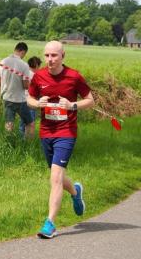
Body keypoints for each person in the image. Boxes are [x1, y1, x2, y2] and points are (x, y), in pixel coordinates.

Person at [27, 40, 94, 239]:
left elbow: (91, 100)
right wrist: (37, 103)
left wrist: (72, 105)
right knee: (56, 175)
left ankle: (50, 223)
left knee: (54, 178)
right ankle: (75, 192)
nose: (50, 59)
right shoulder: (39, 77)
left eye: (54, 55)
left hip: (66, 133)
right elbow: (29, 99)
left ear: (63, 55)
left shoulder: (74, 77)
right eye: (47, 55)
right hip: (46, 132)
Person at [0, 42, 34, 137]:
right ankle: (28, 145)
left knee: (9, 124)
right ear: (22, 51)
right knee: (30, 123)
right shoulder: (24, 65)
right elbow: (25, 85)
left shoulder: (2, 62)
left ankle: (8, 144)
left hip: (7, 98)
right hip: (20, 100)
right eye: (24, 54)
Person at [19, 56, 42, 136]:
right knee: (30, 123)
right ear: (36, 65)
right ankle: (27, 142)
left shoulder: (24, 73)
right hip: (30, 102)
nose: (39, 68)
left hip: (22, 100)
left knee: (22, 122)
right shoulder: (35, 76)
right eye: (39, 66)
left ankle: (20, 139)